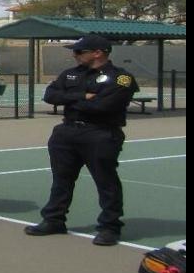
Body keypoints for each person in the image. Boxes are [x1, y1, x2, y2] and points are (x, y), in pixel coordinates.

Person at [25, 35, 139, 246]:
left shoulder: (121, 78)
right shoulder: (70, 74)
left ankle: (109, 227)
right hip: (67, 133)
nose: (75, 55)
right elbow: (50, 95)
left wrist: (70, 98)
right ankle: (54, 219)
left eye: (79, 52)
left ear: (98, 53)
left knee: (106, 182)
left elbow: (104, 106)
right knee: (62, 180)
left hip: (100, 134)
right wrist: (82, 96)